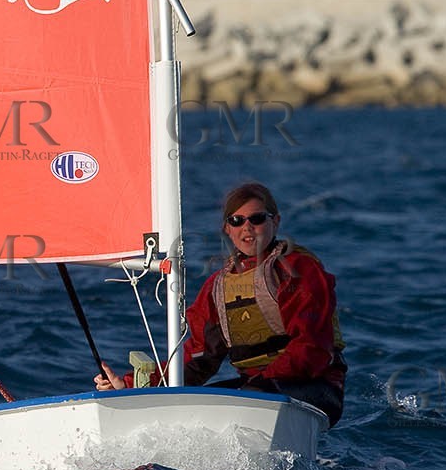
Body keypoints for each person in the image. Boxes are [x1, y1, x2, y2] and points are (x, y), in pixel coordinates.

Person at [94, 182, 345, 425]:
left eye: (257, 219)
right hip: (258, 390)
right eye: (237, 221)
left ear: (275, 221)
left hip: (315, 387)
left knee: (248, 399)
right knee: (190, 408)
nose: (247, 227)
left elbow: (312, 348)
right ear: (227, 228)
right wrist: (132, 387)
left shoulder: (298, 270)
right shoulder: (218, 286)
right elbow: (198, 359)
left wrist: (259, 385)